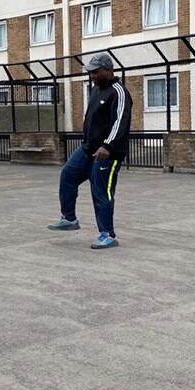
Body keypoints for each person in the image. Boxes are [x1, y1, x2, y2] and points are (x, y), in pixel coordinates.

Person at [47, 53, 132, 249]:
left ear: (108, 70)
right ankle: (69, 219)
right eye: (90, 72)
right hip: (88, 149)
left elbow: (120, 122)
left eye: (96, 72)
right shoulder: (95, 90)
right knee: (67, 175)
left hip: (108, 154)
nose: (92, 75)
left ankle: (108, 234)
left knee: (101, 192)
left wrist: (107, 146)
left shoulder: (119, 92)